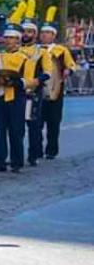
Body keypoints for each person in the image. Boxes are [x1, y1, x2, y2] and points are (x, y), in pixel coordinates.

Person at [0, 17, 33, 173]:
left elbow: (28, 80)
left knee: (16, 131)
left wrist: (13, 82)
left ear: (18, 39)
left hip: (17, 97)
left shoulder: (25, 58)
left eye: (12, 38)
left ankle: (17, 162)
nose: (8, 40)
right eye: (7, 37)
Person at [39, 10, 75, 160]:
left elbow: (71, 65)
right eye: (42, 33)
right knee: (36, 123)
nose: (44, 35)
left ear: (53, 35)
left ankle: (51, 150)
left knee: (53, 122)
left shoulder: (61, 50)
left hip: (55, 89)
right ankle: (36, 150)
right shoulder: (35, 50)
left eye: (48, 33)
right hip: (38, 89)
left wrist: (68, 70)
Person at [18, 10, 52, 167]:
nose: (26, 34)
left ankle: (33, 155)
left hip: (33, 93)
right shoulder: (14, 50)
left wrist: (35, 82)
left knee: (34, 126)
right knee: (16, 128)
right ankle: (16, 157)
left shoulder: (42, 52)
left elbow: (47, 73)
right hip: (16, 93)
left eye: (30, 31)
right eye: (24, 31)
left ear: (35, 34)